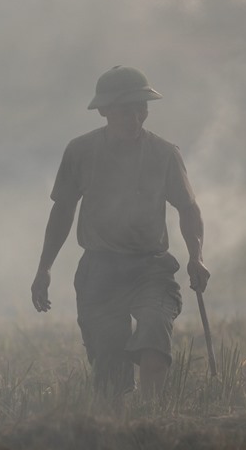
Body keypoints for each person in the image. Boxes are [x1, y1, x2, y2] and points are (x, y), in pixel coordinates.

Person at [30, 65, 209, 404]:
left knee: (155, 330)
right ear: (104, 111)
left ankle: (151, 417)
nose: (136, 117)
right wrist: (44, 268)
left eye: (141, 108)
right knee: (109, 368)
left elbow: (188, 208)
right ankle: (115, 425)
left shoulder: (164, 153)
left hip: (151, 267)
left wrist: (196, 257)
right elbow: (63, 210)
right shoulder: (80, 151)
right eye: (126, 109)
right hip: (100, 270)